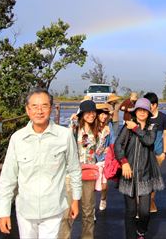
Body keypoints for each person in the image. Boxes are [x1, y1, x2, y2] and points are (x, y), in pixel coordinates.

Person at [0, 88, 82, 238]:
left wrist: (76, 199)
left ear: (51, 108)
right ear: (28, 110)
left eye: (44, 106)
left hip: (53, 208)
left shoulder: (64, 136)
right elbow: (8, 178)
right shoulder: (18, 138)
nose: (39, 111)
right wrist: (3, 212)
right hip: (25, 210)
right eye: (34, 106)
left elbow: (75, 169)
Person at [114, 98, 164, 239]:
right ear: (135, 112)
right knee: (130, 211)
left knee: (144, 212)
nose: (142, 113)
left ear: (148, 113)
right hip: (128, 173)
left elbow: (149, 141)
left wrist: (135, 128)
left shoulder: (152, 128)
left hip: (145, 174)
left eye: (145, 110)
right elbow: (118, 145)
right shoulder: (127, 127)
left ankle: (141, 231)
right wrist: (123, 162)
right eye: (139, 110)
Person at [59, 99, 108, 239]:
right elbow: (67, 144)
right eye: (88, 112)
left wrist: (104, 136)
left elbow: (98, 152)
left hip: (88, 173)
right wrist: (72, 122)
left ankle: (87, 237)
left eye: (93, 112)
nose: (91, 115)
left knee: (88, 211)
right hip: (72, 173)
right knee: (68, 210)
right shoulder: (74, 128)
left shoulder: (98, 131)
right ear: (82, 113)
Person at [143, 92, 166, 213]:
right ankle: (144, 202)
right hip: (144, 153)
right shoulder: (144, 117)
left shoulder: (163, 117)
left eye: (149, 104)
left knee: (154, 179)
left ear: (155, 105)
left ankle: (151, 201)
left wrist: (164, 153)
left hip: (158, 153)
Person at [95, 103, 114, 211]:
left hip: (104, 159)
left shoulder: (109, 126)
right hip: (92, 159)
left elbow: (112, 141)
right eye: (101, 114)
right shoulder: (91, 125)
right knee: (91, 185)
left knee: (104, 185)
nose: (104, 116)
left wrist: (110, 149)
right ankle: (91, 208)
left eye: (105, 114)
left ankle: (103, 198)